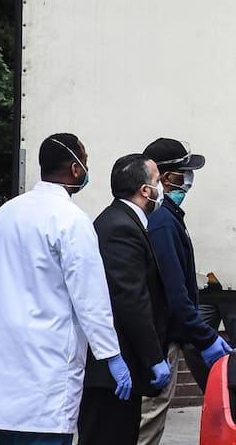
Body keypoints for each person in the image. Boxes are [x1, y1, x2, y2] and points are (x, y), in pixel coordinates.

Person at [0, 134, 130, 445]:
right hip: (47, 379)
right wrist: (112, 354)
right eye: (85, 162)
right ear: (75, 169)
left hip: (2, 379)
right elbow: (90, 298)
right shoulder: (72, 220)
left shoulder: (6, 213)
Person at [137, 138, 231, 445]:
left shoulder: (168, 217)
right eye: (183, 172)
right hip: (160, 339)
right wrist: (205, 337)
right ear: (164, 178)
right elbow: (175, 293)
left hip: (160, 335)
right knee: (149, 418)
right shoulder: (163, 221)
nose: (188, 179)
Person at [78, 154, 172, 445]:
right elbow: (131, 299)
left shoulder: (125, 221)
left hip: (119, 370)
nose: (161, 188)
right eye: (158, 181)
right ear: (145, 190)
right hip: (111, 372)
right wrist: (154, 358)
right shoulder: (121, 228)